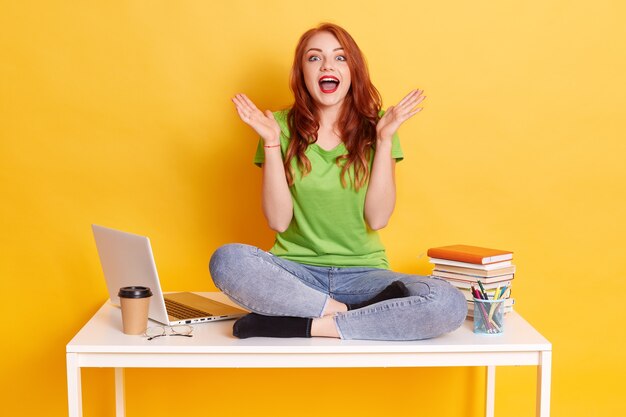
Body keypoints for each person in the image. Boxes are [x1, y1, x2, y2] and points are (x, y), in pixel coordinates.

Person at [209, 22, 466, 340]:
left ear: (353, 70)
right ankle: (345, 313)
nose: (327, 65)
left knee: (448, 303)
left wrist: (384, 141)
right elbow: (278, 221)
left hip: (366, 275)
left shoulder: (380, 126)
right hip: (296, 274)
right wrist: (272, 144)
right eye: (314, 58)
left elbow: (378, 217)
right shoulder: (275, 126)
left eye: (340, 57)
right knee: (227, 260)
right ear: (302, 72)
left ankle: (301, 325)